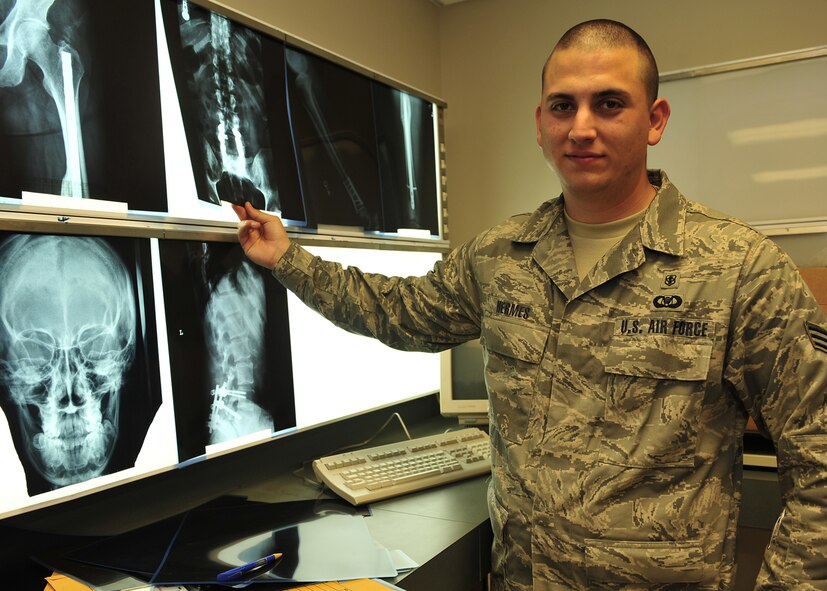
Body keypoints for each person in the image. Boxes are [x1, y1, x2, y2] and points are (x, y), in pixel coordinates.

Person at [234, 19, 827, 590]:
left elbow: (819, 456)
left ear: (655, 119)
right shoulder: (502, 256)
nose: (582, 127)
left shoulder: (737, 267)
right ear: (540, 124)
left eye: (610, 103)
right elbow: (399, 312)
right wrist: (290, 259)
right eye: (563, 106)